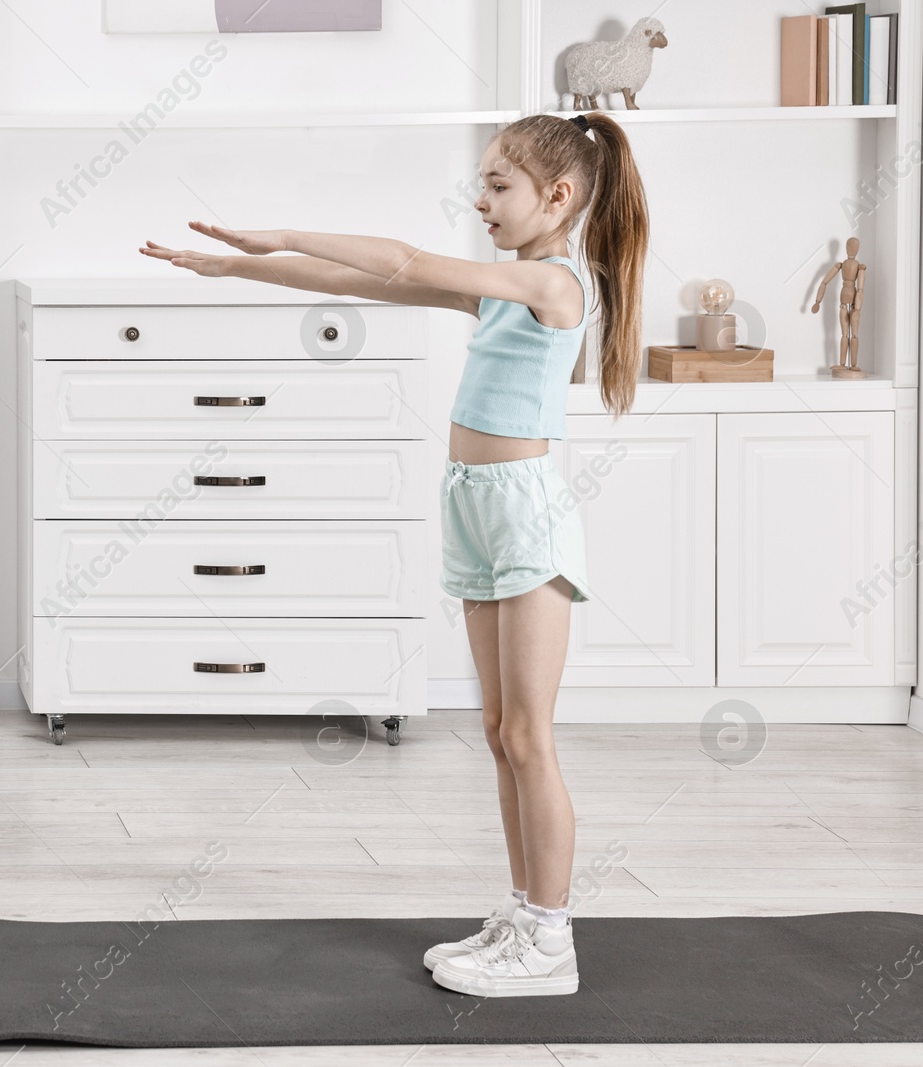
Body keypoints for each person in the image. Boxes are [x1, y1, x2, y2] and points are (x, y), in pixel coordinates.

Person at [140, 110, 648, 998]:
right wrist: (239, 266)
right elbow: (370, 281)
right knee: (498, 732)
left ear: (557, 196)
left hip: (526, 518)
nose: (482, 199)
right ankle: (525, 910)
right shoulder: (500, 287)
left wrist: (285, 228)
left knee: (529, 735)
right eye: (483, 182)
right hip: (477, 509)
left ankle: (552, 942)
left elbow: (405, 258)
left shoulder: (556, 283)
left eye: (499, 185)